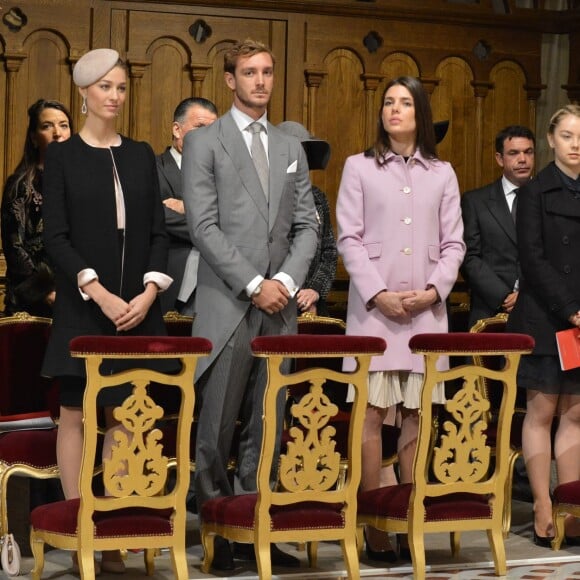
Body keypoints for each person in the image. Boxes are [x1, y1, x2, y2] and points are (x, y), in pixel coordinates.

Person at [181, 38, 318, 571]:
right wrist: (252, 282)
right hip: (228, 302)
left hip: (280, 304)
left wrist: (282, 278)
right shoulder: (205, 142)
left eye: (266, 72)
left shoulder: (289, 146)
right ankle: (219, 535)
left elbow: (307, 223)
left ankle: (256, 529)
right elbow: (203, 226)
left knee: (268, 424)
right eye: (249, 72)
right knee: (215, 430)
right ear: (230, 80)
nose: (260, 81)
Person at [41, 48, 171, 573]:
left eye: (120, 87)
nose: (115, 96)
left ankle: (116, 530)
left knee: (126, 412)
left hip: (138, 308)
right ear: (84, 93)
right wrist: (98, 291)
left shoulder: (141, 153)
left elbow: (159, 234)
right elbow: (56, 238)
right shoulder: (63, 156)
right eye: (105, 87)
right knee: (74, 409)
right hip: (84, 306)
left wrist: (148, 292)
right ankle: (76, 526)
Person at [336, 76, 465, 561]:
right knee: (371, 416)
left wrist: (434, 290)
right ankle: (373, 523)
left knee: (417, 416)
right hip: (375, 314)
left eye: (405, 103)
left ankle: (409, 516)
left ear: (421, 113)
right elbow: (348, 236)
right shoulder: (359, 166)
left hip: (426, 314)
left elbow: (454, 242)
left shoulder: (442, 172)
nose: (394, 110)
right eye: (388, 102)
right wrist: (378, 294)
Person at [506, 104, 580, 547]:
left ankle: (571, 507)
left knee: (575, 411)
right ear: (551, 140)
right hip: (546, 315)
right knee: (542, 411)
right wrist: (572, 308)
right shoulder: (535, 192)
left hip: (579, 319)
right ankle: (541, 503)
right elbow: (532, 261)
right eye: (568, 135)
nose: (577, 144)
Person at [1, 99, 72, 316]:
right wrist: (48, 292)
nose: (57, 133)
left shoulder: (81, 183)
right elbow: (14, 249)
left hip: (77, 297)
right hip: (34, 305)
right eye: (47, 126)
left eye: (64, 125)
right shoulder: (21, 185)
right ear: (33, 137)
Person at [461, 125, 536, 329]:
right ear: (499, 159)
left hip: (539, 309)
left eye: (528, 152)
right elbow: (469, 257)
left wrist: (526, 294)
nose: (522, 159)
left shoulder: (550, 200)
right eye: (514, 153)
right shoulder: (476, 202)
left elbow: (558, 257)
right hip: (489, 310)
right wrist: (504, 296)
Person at [156, 97, 218, 314]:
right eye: (199, 127)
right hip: (169, 281)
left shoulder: (225, 175)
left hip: (218, 285)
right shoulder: (153, 167)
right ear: (177, 129)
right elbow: (156, 216)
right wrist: (211, 224)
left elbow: (238, 221)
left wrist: (188, 208)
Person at [277, 121, 337, 316]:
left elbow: (329, 252)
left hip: (312, 306)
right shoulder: (261, 197)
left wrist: (314, 291)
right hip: (273, 301)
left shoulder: (318, 198)